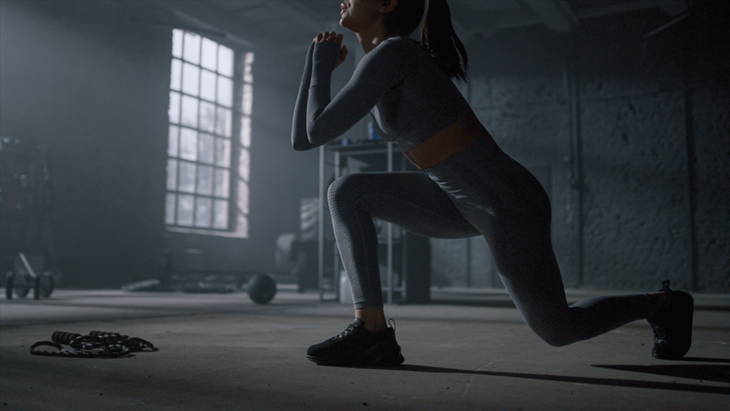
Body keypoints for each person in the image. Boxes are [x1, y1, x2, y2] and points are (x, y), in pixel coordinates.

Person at [291, 0, 694, 367]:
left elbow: (314, 131)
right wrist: (315, 62)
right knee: (346, 190)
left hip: (506, 202)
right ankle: (372, 332)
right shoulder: (381, 60)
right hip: (455, 198)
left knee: (559, 330)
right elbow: (302, 139)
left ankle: (663, 304)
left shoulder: (395, 53)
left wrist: (322, 64)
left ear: (386, 4)